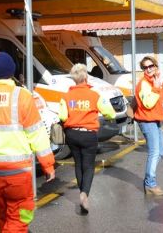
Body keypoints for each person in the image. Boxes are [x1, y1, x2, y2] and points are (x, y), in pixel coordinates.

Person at [0, 52, 55, 232]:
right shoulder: (22, 96)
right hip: (19, 173)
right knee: (19, 219)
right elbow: (38, 135)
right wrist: (48, 166)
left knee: (4, 215)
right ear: (12, 71)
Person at [58, 63, 115, 213]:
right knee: (88, 166)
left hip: (72, 134)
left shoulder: (66, 96)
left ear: (74, 79)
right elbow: (110, 112)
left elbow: (62, 116)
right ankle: (85, 194)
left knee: (78, 164)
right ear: (86, 77)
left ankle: (81, 192)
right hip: (88, 134)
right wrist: (107, 116)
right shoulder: (94, 95)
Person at [133, 56, 163, 196]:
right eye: (145, 67)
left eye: (151, 66)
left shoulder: (153, 81)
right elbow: (148, 103)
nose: (148, 69)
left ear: (156, 66)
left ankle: (149, 181)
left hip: (154, 119)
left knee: (159, 152)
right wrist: (156, 88)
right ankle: (150, 184)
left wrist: (157, 85)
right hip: (147, 120)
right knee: (154, 152)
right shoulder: (145, 84)